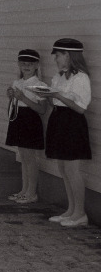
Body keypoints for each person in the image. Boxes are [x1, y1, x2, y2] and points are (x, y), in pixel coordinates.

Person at [37, 38, 92, 227]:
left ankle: (80, 213)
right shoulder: (59, 76)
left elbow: (80, 108)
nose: (56, 59)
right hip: (59, 120)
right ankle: (71, 210)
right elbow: (56, 102)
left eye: (58, 55)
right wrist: (47, 96)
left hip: (72, 123)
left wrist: (57, 95)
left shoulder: (81, 78)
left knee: (72, 169)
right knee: (62, 168)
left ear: (68, 55)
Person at [5, 49, 48, 204]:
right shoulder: (17, 83)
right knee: (23, 157)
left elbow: (42, 109)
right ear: (18, 64)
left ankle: (32, 193)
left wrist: (22, 97)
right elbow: (14, 104)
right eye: (23, 63)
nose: (26, 66)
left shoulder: (40, 85)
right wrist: (11, 97)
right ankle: (24, 190)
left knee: (30, 158)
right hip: (18, 119)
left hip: (30, 121)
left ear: (36, 65)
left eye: (30, 64)